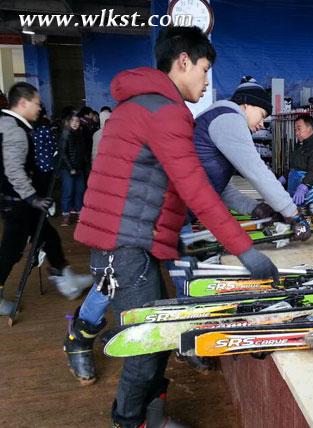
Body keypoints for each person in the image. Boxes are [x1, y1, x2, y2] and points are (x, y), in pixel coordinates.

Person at [69, 26, 279, 427]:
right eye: (203, 70)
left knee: (160, 337)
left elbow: (161, 188)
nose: (205, 81)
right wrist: (246, 252)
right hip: (125, 248)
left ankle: (151, 416)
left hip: (131, 244)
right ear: (183, 61)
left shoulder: (146, 105)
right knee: (146, 348)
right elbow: (194, 187)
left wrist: (182, 244)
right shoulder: (161, 110)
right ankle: (129, 421)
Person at [64, 76, 312, 385]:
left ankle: (184, 338)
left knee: (186, 274)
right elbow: (255, 169)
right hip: (148, 216)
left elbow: (212, 185)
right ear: (247, 105)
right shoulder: (228, 118)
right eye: (262, 116)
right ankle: (78, 336)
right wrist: (292, 213)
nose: (262, 125)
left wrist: (255, 209)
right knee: (112, 282)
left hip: (174, 215)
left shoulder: (217, 123)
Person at [0, 82, 92, 315]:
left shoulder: (7, 123)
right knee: (12, 249)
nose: (40, 108)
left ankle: (65, 276)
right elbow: (13, 170)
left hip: (14, 199)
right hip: (17, 201)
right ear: (23, 103)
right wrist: (33, 198)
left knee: (48, 236)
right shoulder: (15, 131)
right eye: (37, 104)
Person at [58, 111, 87, 226]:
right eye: (73, 121)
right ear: (68, 122)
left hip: (79, 168)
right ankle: (66, 215)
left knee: (80, 191)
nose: (75, 123)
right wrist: (70, 168)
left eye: (77, 121)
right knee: (68, 191)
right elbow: (63, 154)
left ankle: (79, 214)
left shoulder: (80, 135)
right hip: (67, 169)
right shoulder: (64, 135)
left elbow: (83, 152)